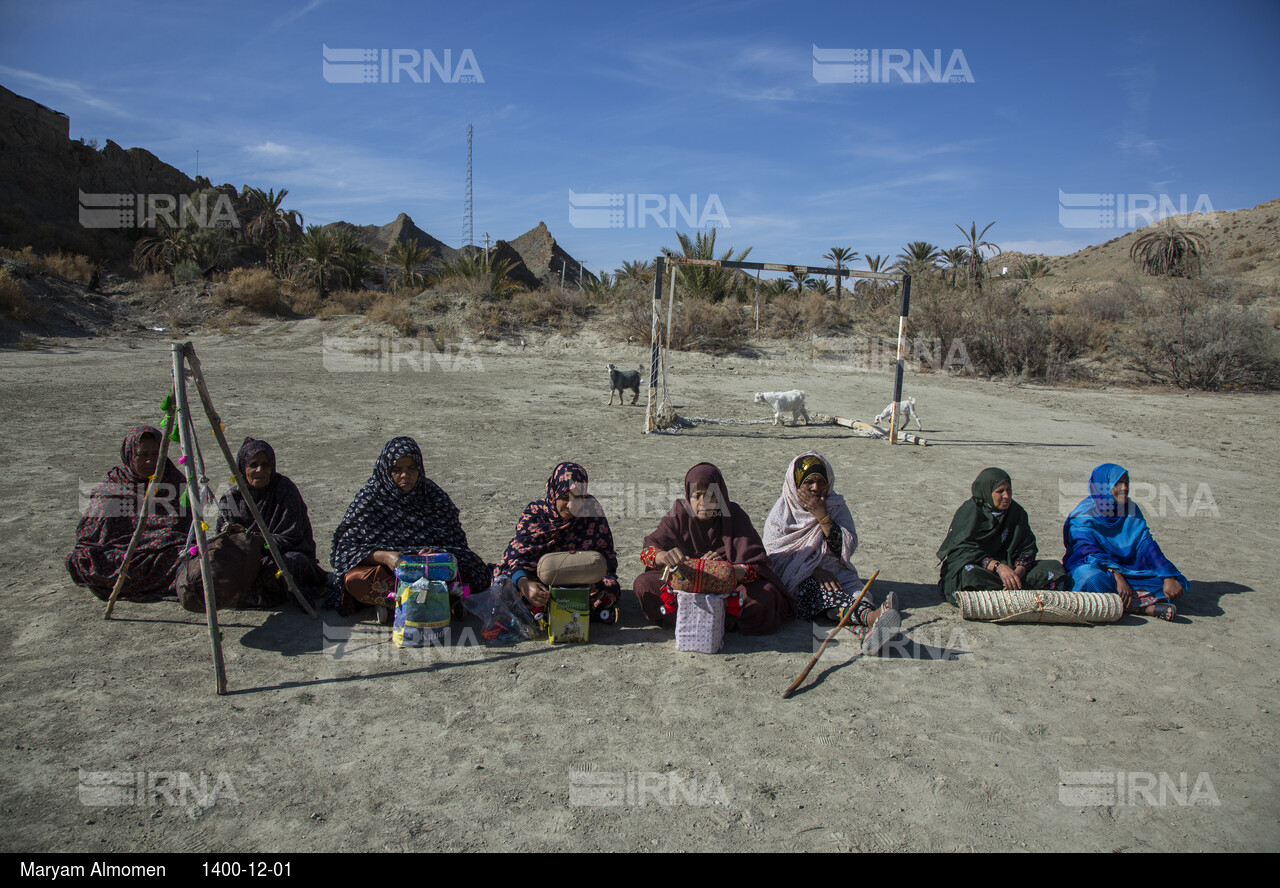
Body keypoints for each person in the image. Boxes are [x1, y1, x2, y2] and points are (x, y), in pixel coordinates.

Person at [329, 437, 489, 617]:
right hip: (389, 571)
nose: (405, 475)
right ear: (386, 471)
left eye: (411, 469)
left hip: (431, 567)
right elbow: (346, 549)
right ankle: (431, 600)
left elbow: (457, 542)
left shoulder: (432, 496)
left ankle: (423, 600)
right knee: (355, 580)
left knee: (476, 573)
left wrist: (436, 552)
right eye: (397, 470)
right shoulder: (370, 500)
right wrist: (386, 557)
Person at [635, 462, 794, 635]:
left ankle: (696, 619)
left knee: (766, 594)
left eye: (710, 496)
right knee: (644, 584)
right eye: (697, 496)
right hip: (684, 585)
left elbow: (758, 567)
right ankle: (716, 619)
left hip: (728, 590)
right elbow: (647, 552)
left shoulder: (734, 515)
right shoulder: (680, 513)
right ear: (689, 496)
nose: (703, 503)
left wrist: (724, 570)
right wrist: (664, 556)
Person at [764, 451, 897, 628]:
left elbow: (845, 549)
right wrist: (811, 570)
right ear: (794, 485)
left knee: (855, 591)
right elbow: (776, 559)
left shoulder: (835, 506)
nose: (815, 488)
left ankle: (867, 622)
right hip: (798, 578)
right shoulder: (782, 513)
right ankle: (869, 618)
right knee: (816, 591)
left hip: (836, 572)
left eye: (821, 481)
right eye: (808, 482)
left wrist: (823, 516)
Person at [67, 425, 191, 601]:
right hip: (121, 553)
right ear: (131, 454)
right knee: (88, 562)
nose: (151, 461)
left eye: (156, 455)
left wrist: (160, 540)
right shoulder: (113, 486)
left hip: (161, 554)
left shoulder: (173, 479)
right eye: (143, 455)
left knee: (184, 558)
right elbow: (89, 538)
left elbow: (185, 530)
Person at [493, 462, 621, 624]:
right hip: (540, 581)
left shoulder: (591, 511)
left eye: (578, 498)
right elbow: (517, 558)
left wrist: (589, 575)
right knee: (507, 589)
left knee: (610, 588)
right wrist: (525, 584)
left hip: (583, 581)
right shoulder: (535, 514)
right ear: (554, 493)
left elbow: (607, 556)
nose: (571, 506)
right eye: (565, 498)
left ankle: (550, 612)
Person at [1063, 463, 1187, 620]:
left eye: (1127, 483)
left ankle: (1119, 605)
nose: (1125, 488)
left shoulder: (1130, 509)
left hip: (1129, 570)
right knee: (1091, 579)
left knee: (1177, 583)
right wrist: (1115, 574)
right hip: (1100, 570)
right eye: (1118, 483)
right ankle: (1142, 608)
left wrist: (1168, 576)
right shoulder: (1083, 515)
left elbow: (1146, 545)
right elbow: (1085, 551)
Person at [214, 437, 327, 607]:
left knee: (285, 567)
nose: (260, 470)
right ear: (243, 467)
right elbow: (221, 539)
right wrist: (234, 536)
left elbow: (293, 538)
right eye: (253, 465)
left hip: (283, 554)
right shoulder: (232, 498)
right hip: (246, 559)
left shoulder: (284, 491)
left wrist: (258, 540)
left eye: (265, 465)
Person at [937, 467, 1066, 604]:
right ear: (987, 491)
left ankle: (1006, 589)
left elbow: (1027, 548)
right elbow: (961, 549)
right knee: (967, 575)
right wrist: (998, 567)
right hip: (981, 568)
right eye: (1000, 491)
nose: (1006, 496)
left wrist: (1017, 573)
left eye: (1009, 490)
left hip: (1010, 567)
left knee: (1055, 568)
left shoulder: (1017, 512)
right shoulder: (970, 512)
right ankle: (1012, 592)